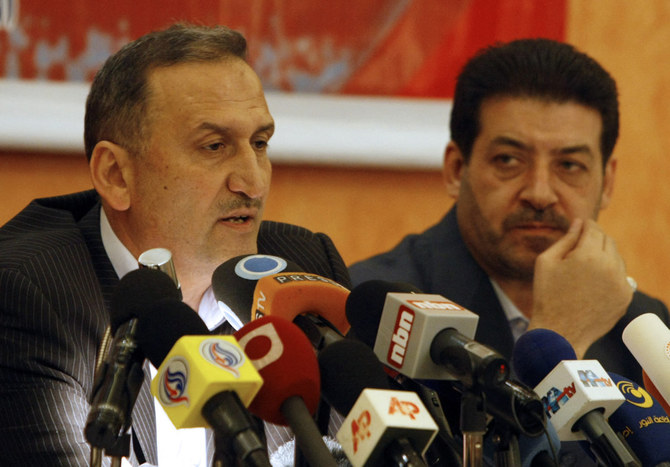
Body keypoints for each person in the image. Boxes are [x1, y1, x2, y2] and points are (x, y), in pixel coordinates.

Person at [0, 24, 350, 466]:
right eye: (214, 146)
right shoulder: (30, 297)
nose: (254, 183)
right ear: (116, 175)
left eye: (260, 144)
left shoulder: (303, 271)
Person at [349, 38, 669, 385]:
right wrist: (558, 338)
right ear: (457, 169)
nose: (540, 193)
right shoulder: (374, 311)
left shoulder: (642, 326)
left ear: (606, 184)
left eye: (569, 165)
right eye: (508, 160)